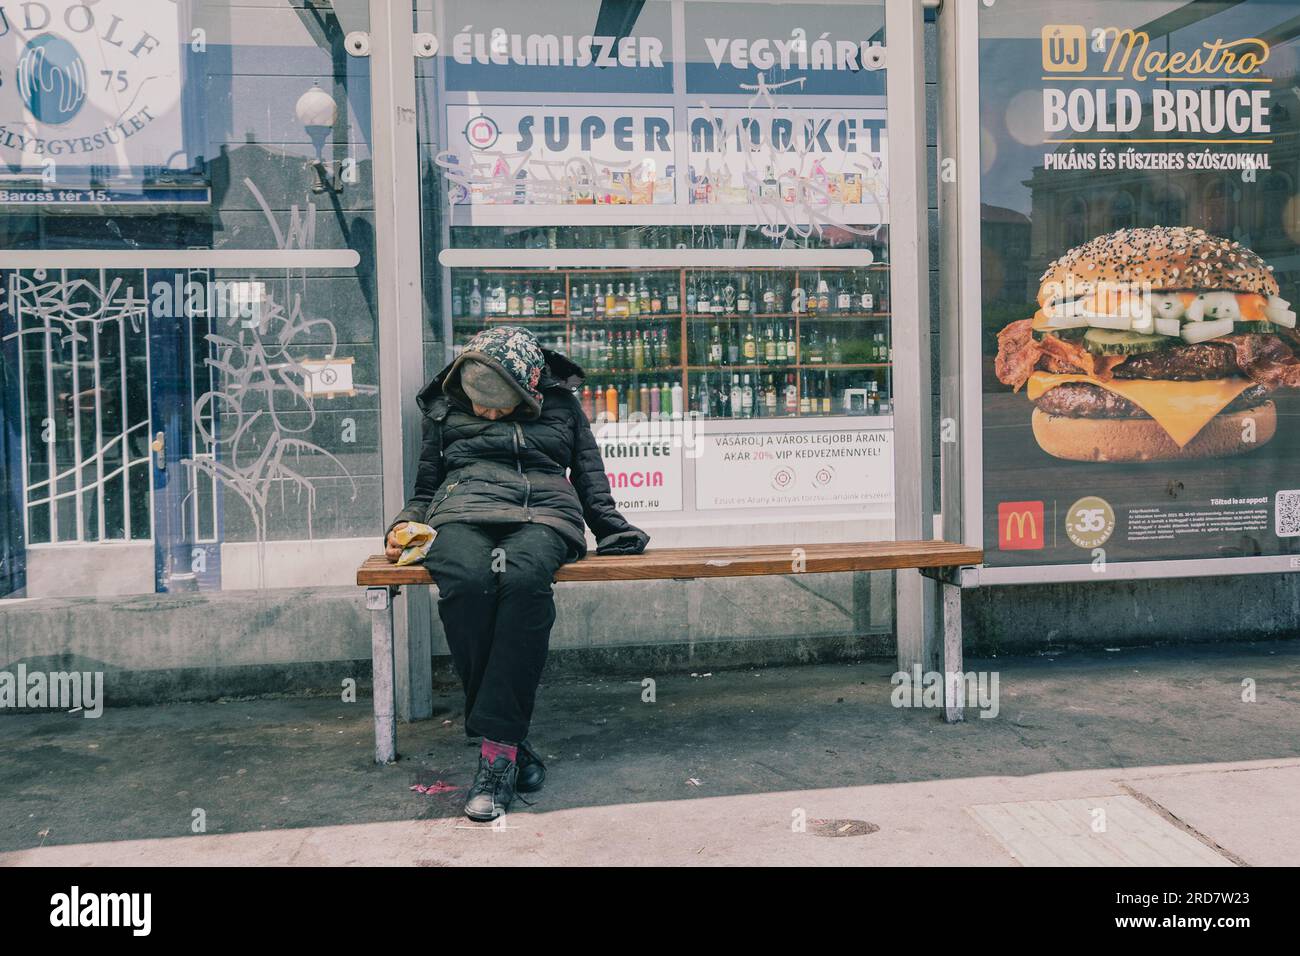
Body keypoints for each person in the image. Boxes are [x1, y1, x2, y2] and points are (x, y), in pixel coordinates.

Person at [384, 325, 648, 821]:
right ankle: (508, 742)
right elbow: (425, 485)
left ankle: (497, 758)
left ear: (526, 389)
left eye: (495, 404)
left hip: (542, 515)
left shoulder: (563, 406)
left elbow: (588, 473)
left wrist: (610, 527)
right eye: (476, 402)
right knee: (467, 582)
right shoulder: (447, 406)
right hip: (461, 513)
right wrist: (407, 522)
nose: (482, 411)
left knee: (524, 584)